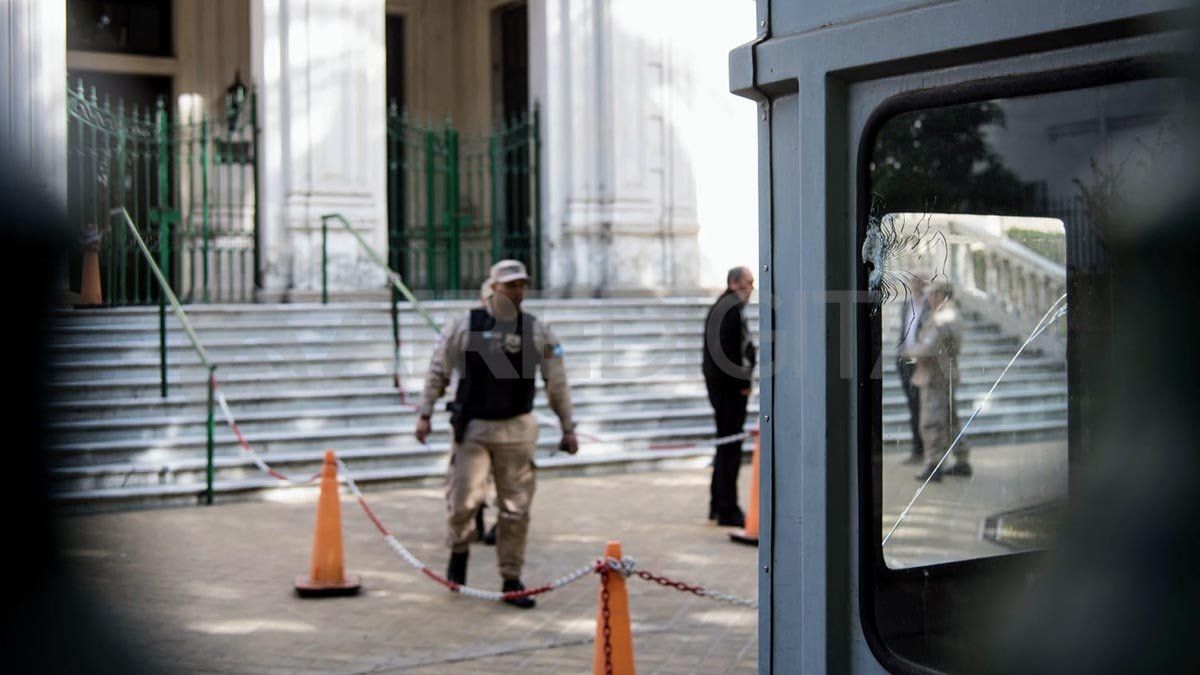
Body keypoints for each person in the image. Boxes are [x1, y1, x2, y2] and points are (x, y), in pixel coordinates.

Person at [415, 259, 578, 608]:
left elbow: (557, 381)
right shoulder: (465, 325)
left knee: (515, 509)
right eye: (510, 285)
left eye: (522, 285)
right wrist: (425, 412)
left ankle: (511, 578)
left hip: (517, 429)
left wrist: (568, 427)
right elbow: (439, 369)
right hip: (474, 428)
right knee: (463, 502)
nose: (518, 291)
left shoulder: (538, 330)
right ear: (493, 288)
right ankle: (458, 554)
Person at [702, 266, 757, 527]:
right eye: (748, 282)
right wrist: (742, 383)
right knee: (729, 450)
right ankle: (727, 508)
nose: (752, 287)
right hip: (729, 392)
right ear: (734, 283)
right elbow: (730, 353)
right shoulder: (730, 308)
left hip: (722, 390)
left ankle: (718, 503)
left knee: (725, 447)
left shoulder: (725, 306)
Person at [905, 280, 971, 481]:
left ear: (941, 294)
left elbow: (929, 346)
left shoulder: (943, 316)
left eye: (932, 294)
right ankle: (962, 461)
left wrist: (910, 353)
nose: (928, 298)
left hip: (936, 376)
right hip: (942, 374)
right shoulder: (946, 313)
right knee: (950, 419)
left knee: (932, 421)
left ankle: (934, 465)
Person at [897, 277, 928, 466]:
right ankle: (917, 450)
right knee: (912, 406)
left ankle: (924, 451)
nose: (914, 284)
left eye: (918, 280)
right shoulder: (906, 306)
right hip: (905, 363)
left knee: (920, 407)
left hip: (921, 363)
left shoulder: (930, 307)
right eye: (912, 280)